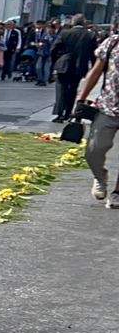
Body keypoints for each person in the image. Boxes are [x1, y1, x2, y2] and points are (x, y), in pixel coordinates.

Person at [76, 24, 119, 208]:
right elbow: (96, 71)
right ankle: (100, 177)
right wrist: (82, 98)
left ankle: (117, 192)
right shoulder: (113, 43)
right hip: (108, 107)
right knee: (94, 150)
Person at [52, 16, 96, 121]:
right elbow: (93, 54)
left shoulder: (64, 33)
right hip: (79, 66)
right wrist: (93, 68)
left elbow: (54, 48)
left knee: (61, 89)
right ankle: (68, 113)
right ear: (84, 23)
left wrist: (56, 61)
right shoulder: (90, 35)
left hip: (63, 64)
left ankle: (59, 113)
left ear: (73, 22)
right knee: (73, 90)